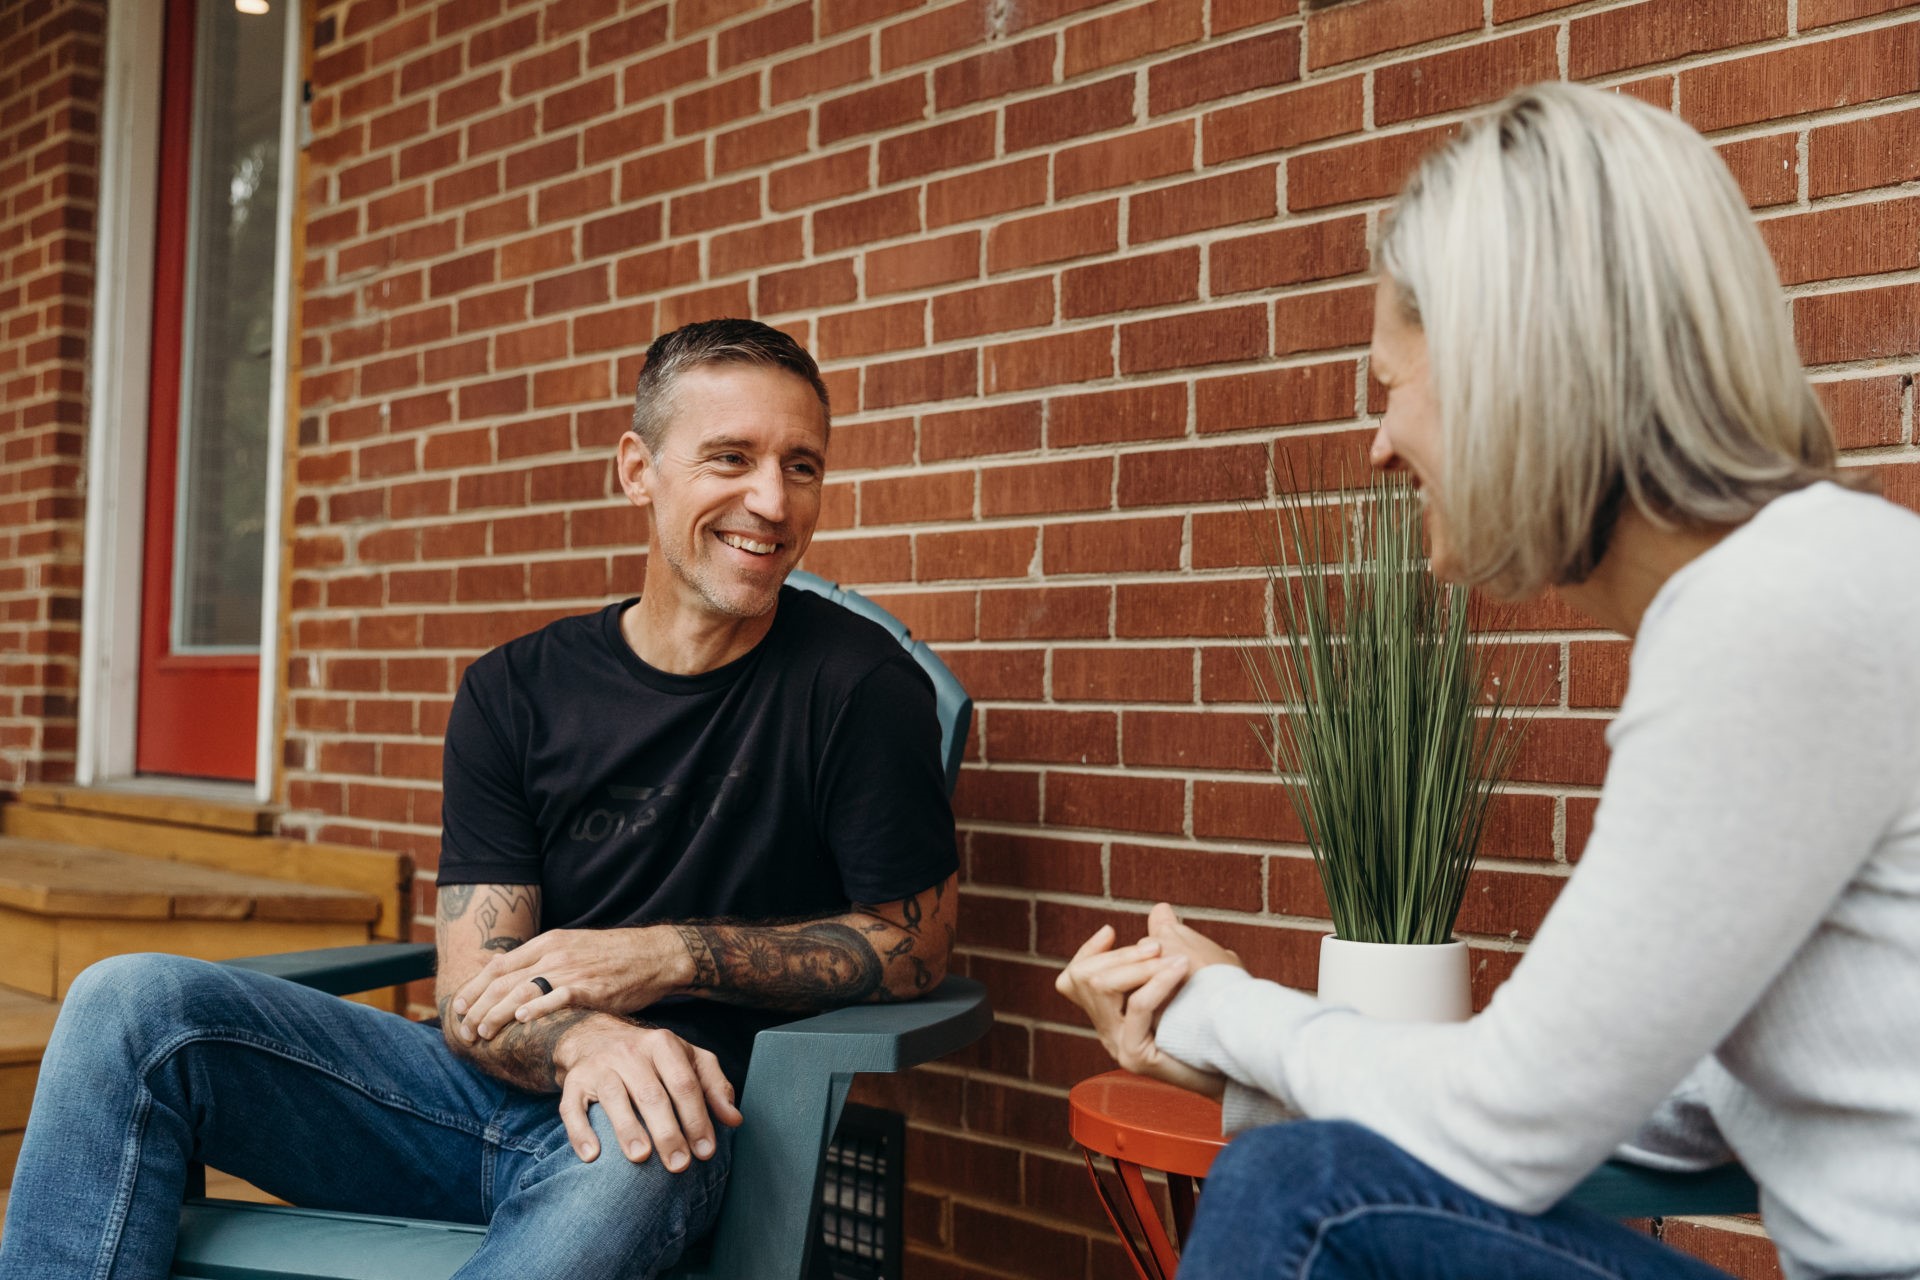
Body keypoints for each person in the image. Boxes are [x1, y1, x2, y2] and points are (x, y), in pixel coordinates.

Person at [1057, 82, 1920, 1280]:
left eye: (1389, 386)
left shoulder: (1778, 614)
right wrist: (1270, 1064)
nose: (1377, 444)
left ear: (1515, 369)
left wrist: (1224, 1009)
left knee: (1306, 1200)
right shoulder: (1814, 587)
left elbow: (1512, 1128)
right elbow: (1663, 1107)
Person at [1, 318, 960, 1279]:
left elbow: (914, 949)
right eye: (730, 457)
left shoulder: (861, 690)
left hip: (662, 1124)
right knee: (131, 1003)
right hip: (460, 1104)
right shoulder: (515, 691)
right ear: (639, 468)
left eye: (802, 466)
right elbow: (472, 989)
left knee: (641, 1130)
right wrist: (584, 1037)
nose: (771, 500)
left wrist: (660, 957)